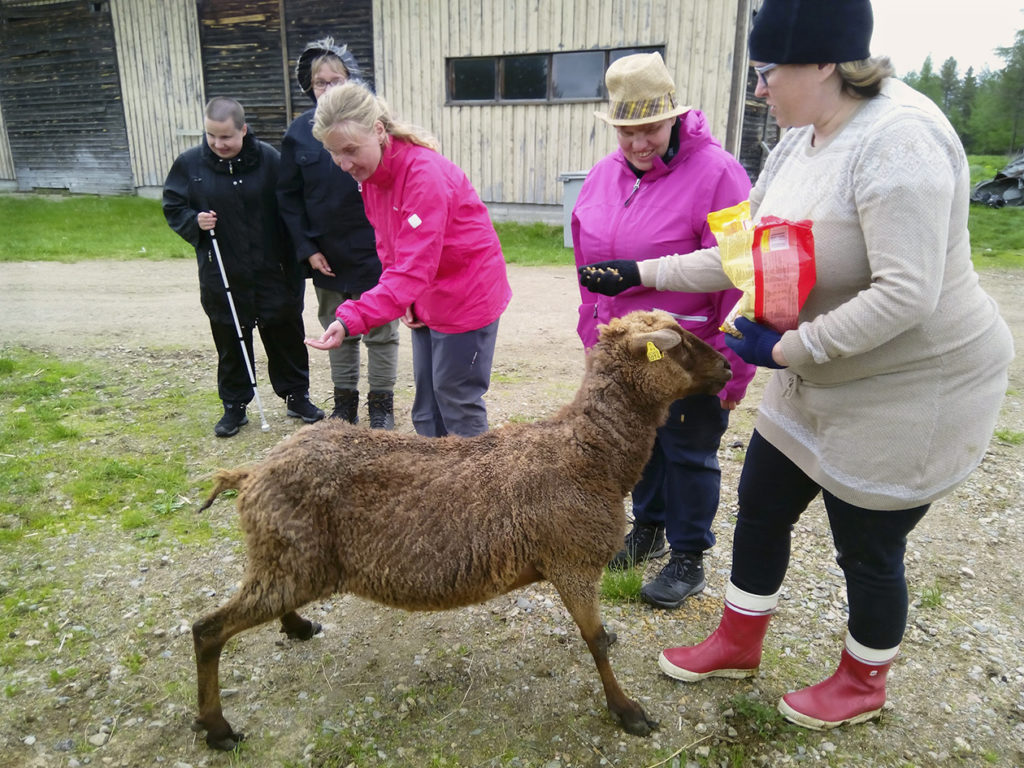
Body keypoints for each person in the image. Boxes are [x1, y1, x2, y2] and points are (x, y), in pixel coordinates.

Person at [579, 0, 1013, 730]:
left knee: (867, 544)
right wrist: (641, 271)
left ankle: (863, 680)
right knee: (764, 503)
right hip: (821, 373)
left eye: (766, 72)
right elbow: (741, 251)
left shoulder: (899, 142)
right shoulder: (798, 139)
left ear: (823, 63)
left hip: (907, 384)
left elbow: (908, 293)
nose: (758, 89)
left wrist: (784, 350)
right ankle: (737, 640)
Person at [573, 52, 756, 609]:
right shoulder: (604, 175)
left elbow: (742, 274)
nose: (637, 144)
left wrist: (734, 370)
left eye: (649, 128)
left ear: (674, 117)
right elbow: (587, 267)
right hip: (627, 352)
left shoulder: (719, 173)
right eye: (626, 131)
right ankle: (648, 529)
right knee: (641, 447)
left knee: (689, 452)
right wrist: (592, 331)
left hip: (688, 353)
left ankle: (689, 555)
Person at [305, 81, 512, 438]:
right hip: (426, 294)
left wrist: (352, 316)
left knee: (457, 399)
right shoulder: (374, 176)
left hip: (466, 296)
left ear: (379, 130)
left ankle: (478, 488)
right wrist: (408, 300)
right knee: (428, 403)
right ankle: (432, 483)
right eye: (334, 153)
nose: (343, 163)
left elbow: (414, 266)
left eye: (350, 150)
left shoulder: (423, 176)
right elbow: (391, 247)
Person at [163, 96, 325, 437]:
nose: (218, 144)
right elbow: (173, 206)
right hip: (223, 271)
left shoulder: (269, 160)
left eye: (226, 137)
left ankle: (297, 396)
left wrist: (301, 254)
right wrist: (195, 222)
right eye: (211, 136)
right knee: (231, 337)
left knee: (285, 334)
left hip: (273, 269)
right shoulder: (190, 165)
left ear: (243, 130)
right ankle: (235, 407)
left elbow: (291, 206)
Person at [278, 38, 400, 428]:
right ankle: (344, 403)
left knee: (380, 332)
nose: (328, 89)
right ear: (309, 87)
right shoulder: (298, 134)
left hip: (374, 250)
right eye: (320, 83)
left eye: (336, 80)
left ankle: (381, 405)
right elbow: (288, 197)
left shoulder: (376, 129)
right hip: (326, 253)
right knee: (338, 327)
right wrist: (307, 248)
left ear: (353, 81)